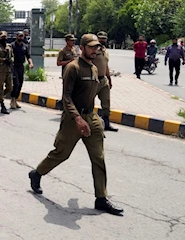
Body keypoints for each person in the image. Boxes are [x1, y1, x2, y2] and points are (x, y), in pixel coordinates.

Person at [28, 34, 123, 216]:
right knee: (61, 154)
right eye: (91, 47)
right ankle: (37, 173)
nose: (95, 50)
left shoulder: (94, 68)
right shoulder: (74, 68)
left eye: (96, 47)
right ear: (82, 48)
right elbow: (66, 97)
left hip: (91, 117)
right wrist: (78, 119)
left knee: (99, 158)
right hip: (73, 119)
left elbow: (95, 91)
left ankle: (101, 198)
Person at [94, 31, 117, 132]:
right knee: (88, 102)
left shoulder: (105, 51)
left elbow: (106, 65)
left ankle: (106, 123)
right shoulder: (93, 50)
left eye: (104, 38)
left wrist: (109, 78)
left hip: (103, 80)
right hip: (93, 80)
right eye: (100, 38)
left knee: (106, 103)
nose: (102, 40)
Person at [10, 31, 34, 109]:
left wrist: (30, 63)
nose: (21, 37)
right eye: (19, 36)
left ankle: (15, 100)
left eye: (22, 36)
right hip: (14, 66)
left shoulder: (25, 46)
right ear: (16, 36)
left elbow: (28, 56)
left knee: (20, 84)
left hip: (21, 66)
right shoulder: (12, 46)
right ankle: (12, 100)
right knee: (16, 83)